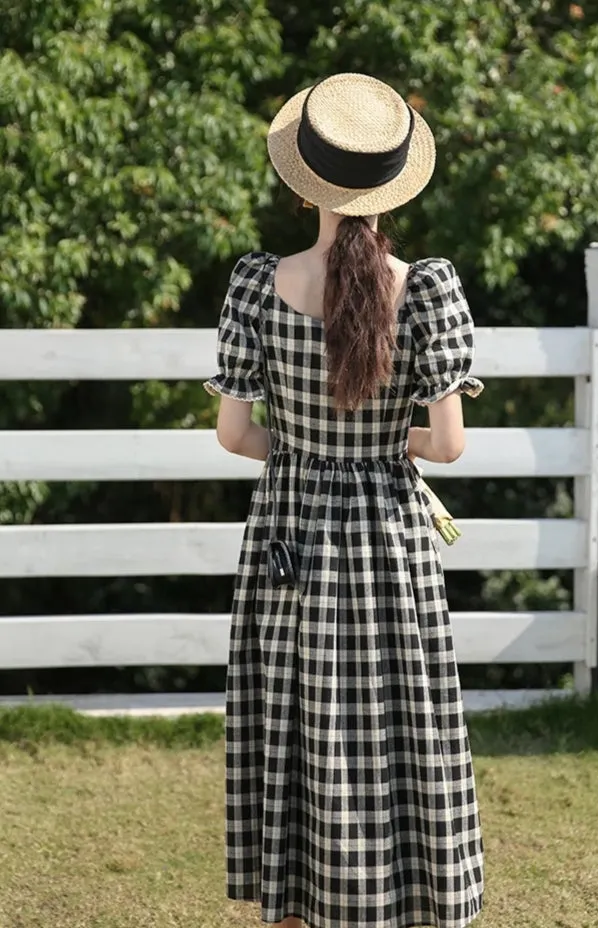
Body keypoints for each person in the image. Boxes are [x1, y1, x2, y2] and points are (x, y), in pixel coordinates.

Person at [203, 72, 485, 928]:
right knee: (398, 729)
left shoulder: (259, 283)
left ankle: (296, 906)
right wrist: (375, 451)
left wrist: (310, 451)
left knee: (298, 723)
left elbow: (234, 437)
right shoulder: (428, 288)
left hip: (290, 535)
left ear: (303, 183)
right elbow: (446, 446)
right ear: (393, 183)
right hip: (389, 544)